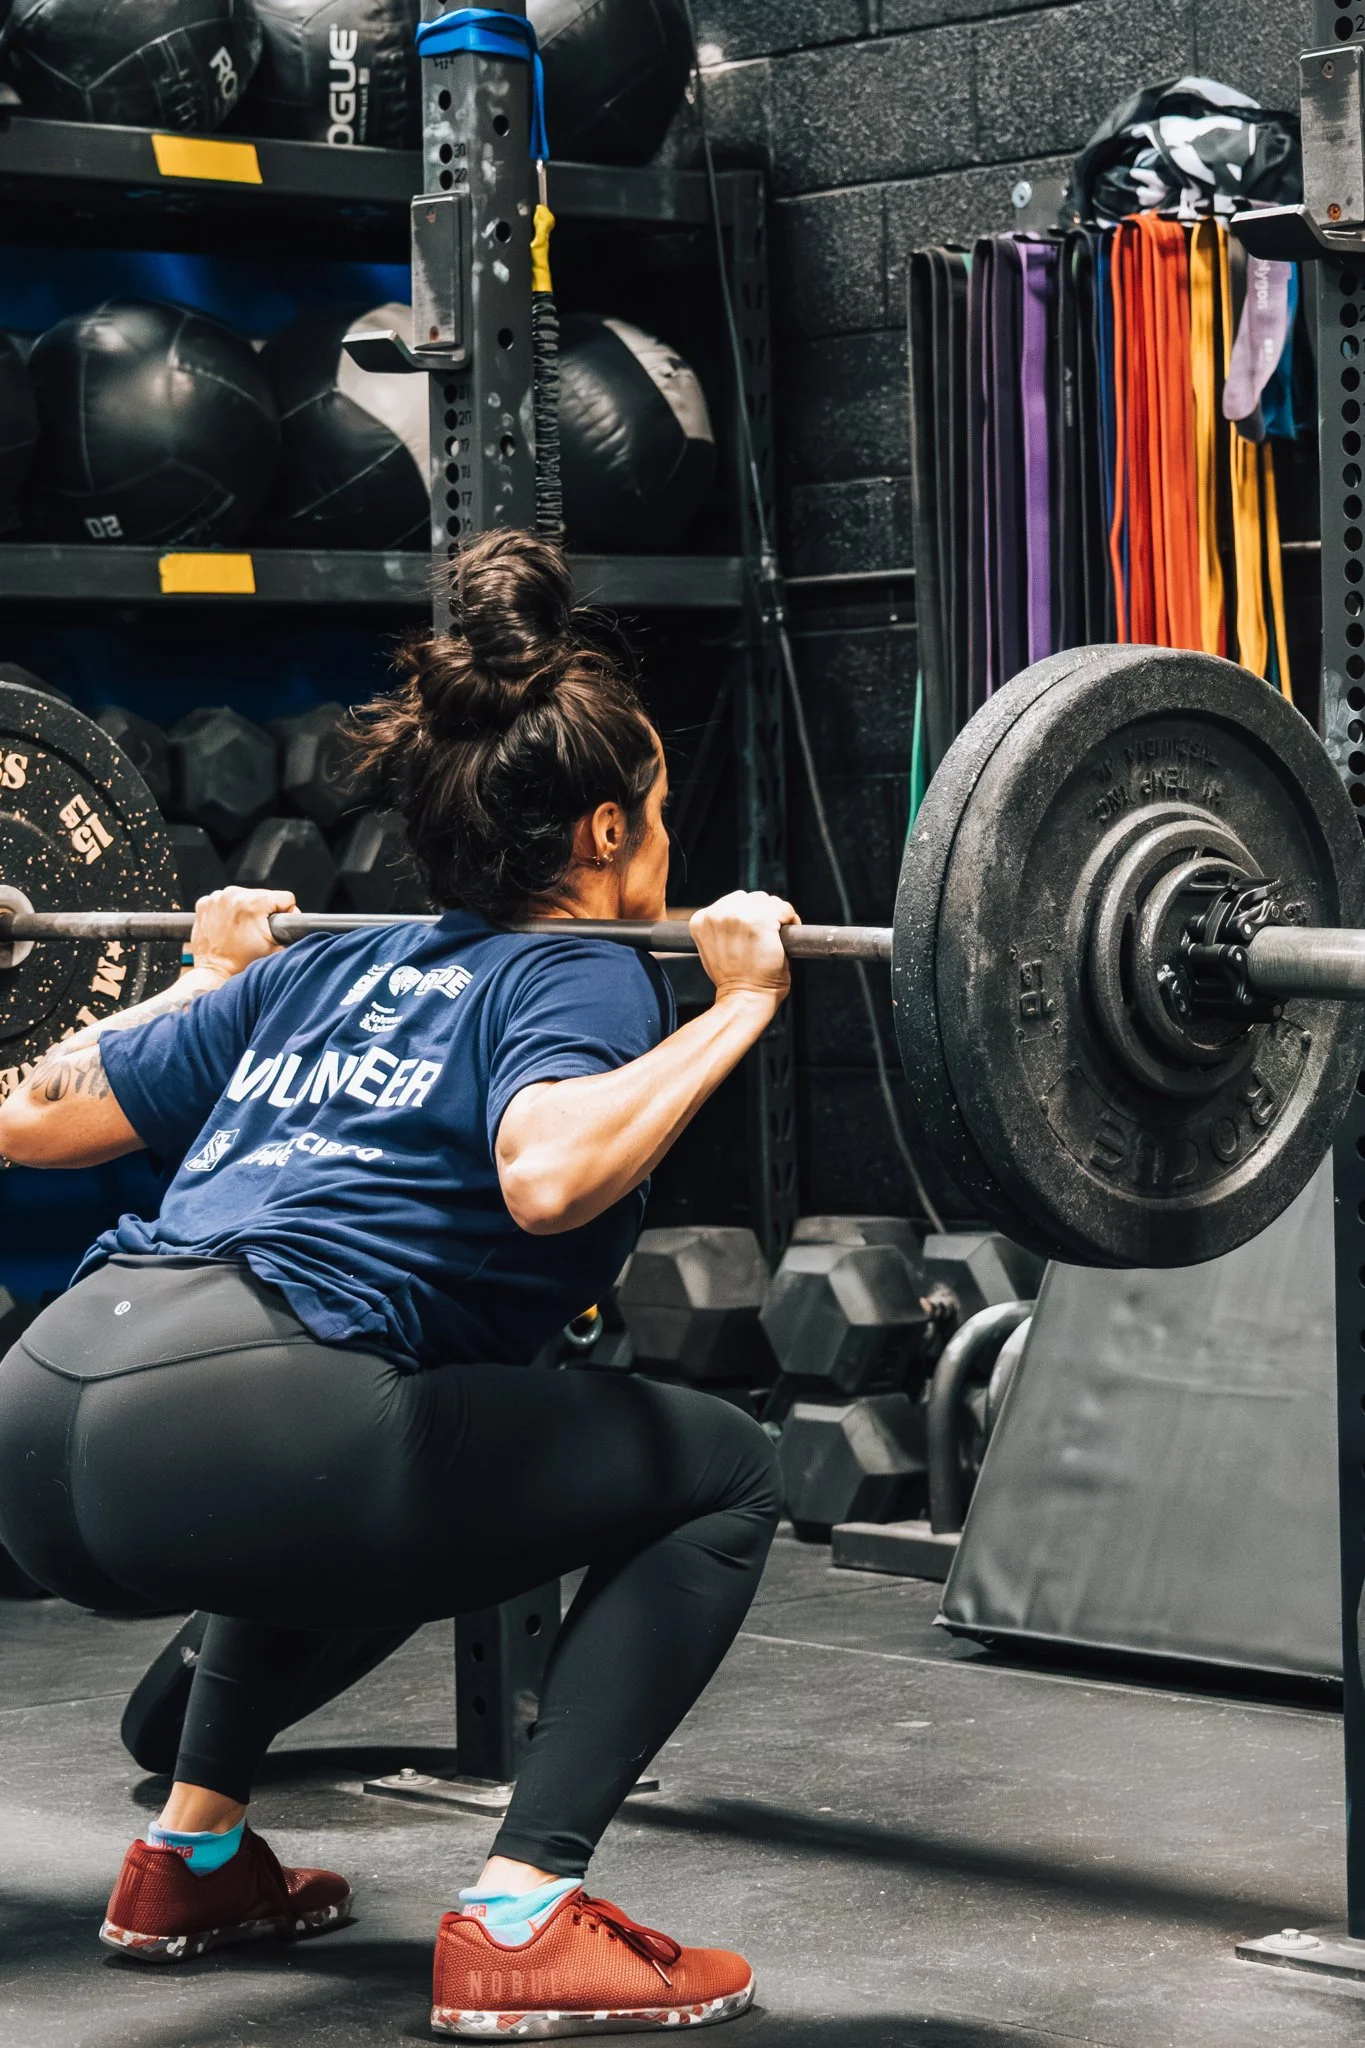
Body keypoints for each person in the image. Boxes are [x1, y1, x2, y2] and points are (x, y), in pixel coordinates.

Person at [0, 529, 792, 2038]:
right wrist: (740, 1004)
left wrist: (206, 974)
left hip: (45, 1415)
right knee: (727, 1472)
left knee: (339, 1430)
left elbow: (30, 1119)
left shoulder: (313, 971)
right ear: (610, 834)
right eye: (668, 820)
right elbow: (550, 1174)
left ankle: (192, 1855)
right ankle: (524, 1910)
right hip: (251, 1424)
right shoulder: (581, 968)